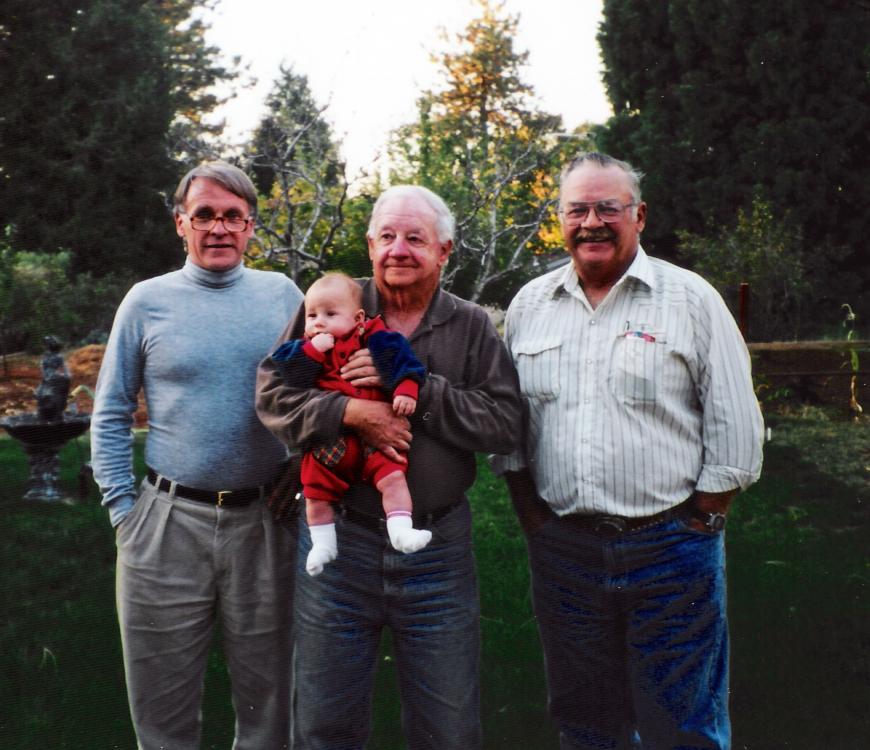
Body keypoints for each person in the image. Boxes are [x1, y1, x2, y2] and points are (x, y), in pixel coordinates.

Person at [493, 152, 764, 750]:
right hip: (564, 552)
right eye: (577, 209)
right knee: (587, 723)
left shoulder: (690, 299)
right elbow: (510, 430)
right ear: (560, 220)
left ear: (638, 216)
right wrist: (533, 518)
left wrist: (703, 519)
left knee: (683, 723)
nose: (592, 221)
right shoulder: (530, 307)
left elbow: (736, 425)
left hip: (670, 549)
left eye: (608, 208)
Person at [256, 185, 522, 750]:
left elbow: (504, 422)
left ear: (445, 250)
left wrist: (418, 392)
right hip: (340, 541)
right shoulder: (332, 305)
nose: (398, 249)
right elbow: (272, 395)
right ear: (369, 244)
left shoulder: (470, 325)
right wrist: (351, 410)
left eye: (415, 238)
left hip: (437, 549)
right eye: (387, 236)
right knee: (325, 723)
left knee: (447, 727)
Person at [90, 161, 303, 750]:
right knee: (161, 710)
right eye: (205, 214)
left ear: (251, 227)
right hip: (164, 525)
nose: (219, 228)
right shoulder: (146, 302)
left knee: (269, 708)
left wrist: (304, 468)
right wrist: (123, 514)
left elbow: (315, 394)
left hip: (267, 521)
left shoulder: (283, 297)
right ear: (181, 223)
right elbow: (109, 414)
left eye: (233, 216)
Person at [269, 271, 431, 576]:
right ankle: (323, 544)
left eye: (330, 314)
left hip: (375, 442)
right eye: (312, 315)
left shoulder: (378, 338)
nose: (318, 322)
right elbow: (288, 376)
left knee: (393, 479)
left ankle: (401, 529)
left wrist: (407, 388)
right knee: (315, 494)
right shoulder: (304, 347)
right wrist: (313, 350)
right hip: (329, 442)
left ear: (358, 318)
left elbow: (404, 362)